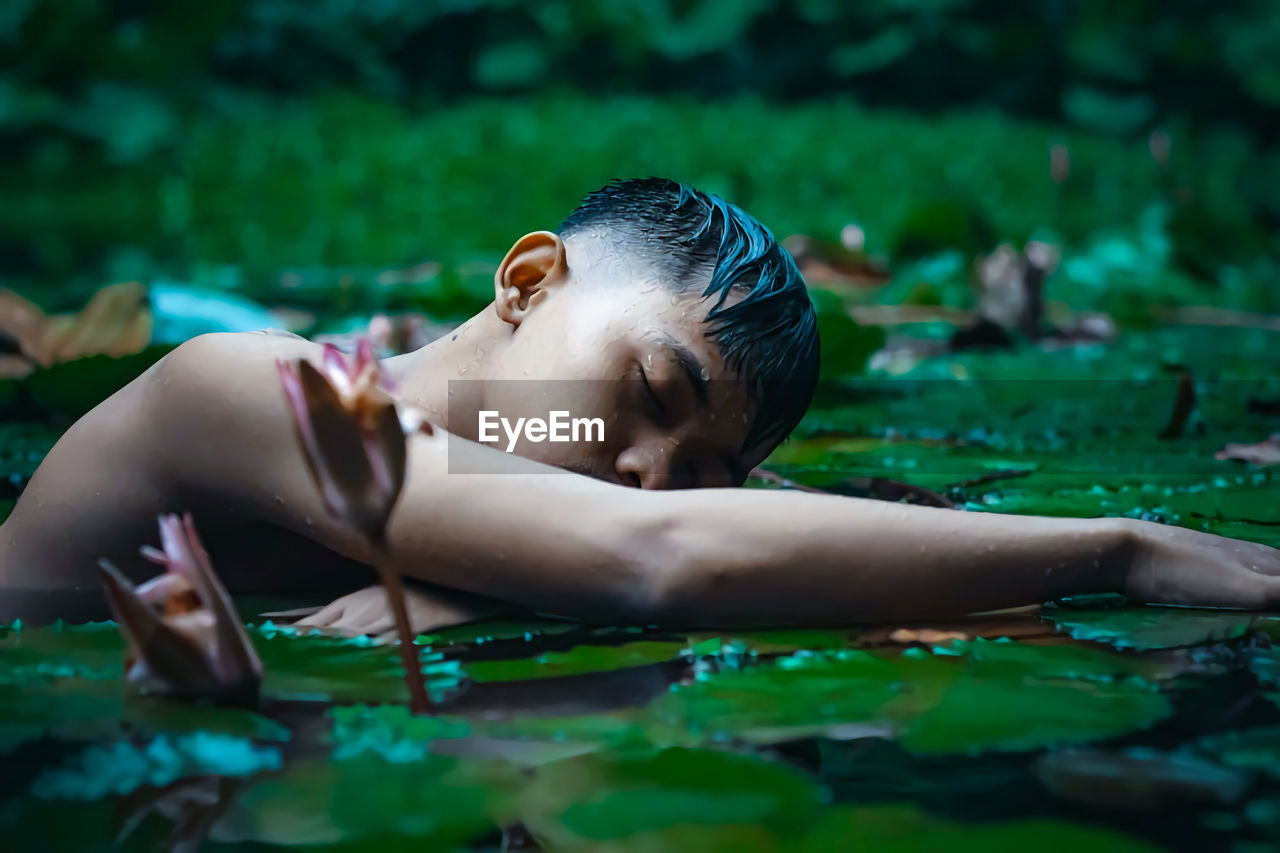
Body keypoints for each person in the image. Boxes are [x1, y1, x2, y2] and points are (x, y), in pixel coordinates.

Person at [1, 178, 1277, 633]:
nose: (651, 472)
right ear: (528, 277)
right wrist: (1120, 549)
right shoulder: (254, 390)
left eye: (702, 464)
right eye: (653, 387)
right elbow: (650, 554)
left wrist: (483, 573)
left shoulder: (507, 485)